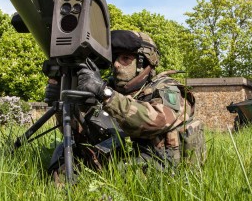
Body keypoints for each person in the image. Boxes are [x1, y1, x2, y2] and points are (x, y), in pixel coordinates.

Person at [47, 30, 206, 175]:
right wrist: (61, 104)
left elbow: (157, 120)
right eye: (114, 58)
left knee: (123, 174)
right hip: (116, 163)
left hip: (161, 168)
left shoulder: (167, 88)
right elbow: (80, 133)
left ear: (143, 63)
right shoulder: (108, 89)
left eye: (125, 58)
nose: (116, 65)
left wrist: (105, 94)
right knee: (65, 151)